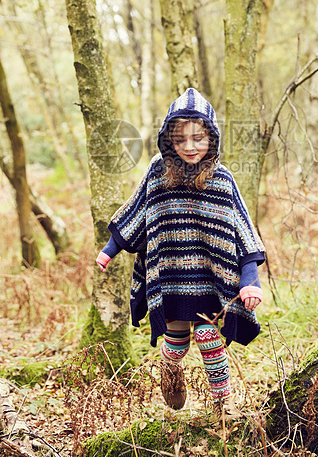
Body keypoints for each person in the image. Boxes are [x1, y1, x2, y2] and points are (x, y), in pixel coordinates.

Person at [96, 88, 265, 422]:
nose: (190, 147)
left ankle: (221, 406)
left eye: (198, 138)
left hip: (211, 279)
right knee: (176, 340)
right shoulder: (158, 173)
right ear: (168, 140)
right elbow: (137, 212)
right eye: (181, 139)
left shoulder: (223, 179)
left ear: (211, 138)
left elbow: (243, 231)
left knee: (207, 335)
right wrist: (109, 250)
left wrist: (250, 281)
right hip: (170, 277)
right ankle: (170, 372)